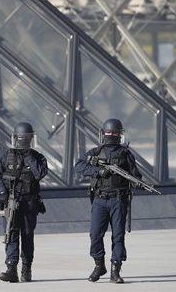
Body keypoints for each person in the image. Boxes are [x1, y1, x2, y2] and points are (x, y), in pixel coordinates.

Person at [74, 118, 142, 284]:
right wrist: (98, 171)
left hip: (118, 199)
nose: (111, 135)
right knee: (95, 235)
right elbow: (78, 166)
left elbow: (135, 175)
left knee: (118, 236)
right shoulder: (95, 153)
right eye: (110, 132)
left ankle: (115, 271)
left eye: (113, 133)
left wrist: (137, 183)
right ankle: (99, 265)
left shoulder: (126, 154)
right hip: (100, 199)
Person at [0, 122, 48, 283]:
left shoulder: (37, 157)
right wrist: (2, 191)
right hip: (11, 202)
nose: (22, 140)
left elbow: (40, 173)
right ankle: (11, 268)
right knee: (10, 235)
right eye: (21, 138)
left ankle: (26, 268)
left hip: (29, 203)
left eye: (25, 138)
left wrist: (28, 155)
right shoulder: (6, 156)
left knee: (28, 236)